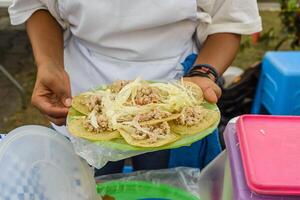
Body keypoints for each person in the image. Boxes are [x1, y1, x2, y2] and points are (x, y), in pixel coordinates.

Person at [9, 0, 262, 175]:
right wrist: (49, 64)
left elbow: (228, 20)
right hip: (84, 97)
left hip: (176, 96)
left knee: (166, 183)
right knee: (86, 185)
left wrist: (203, 74)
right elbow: (38, 5)